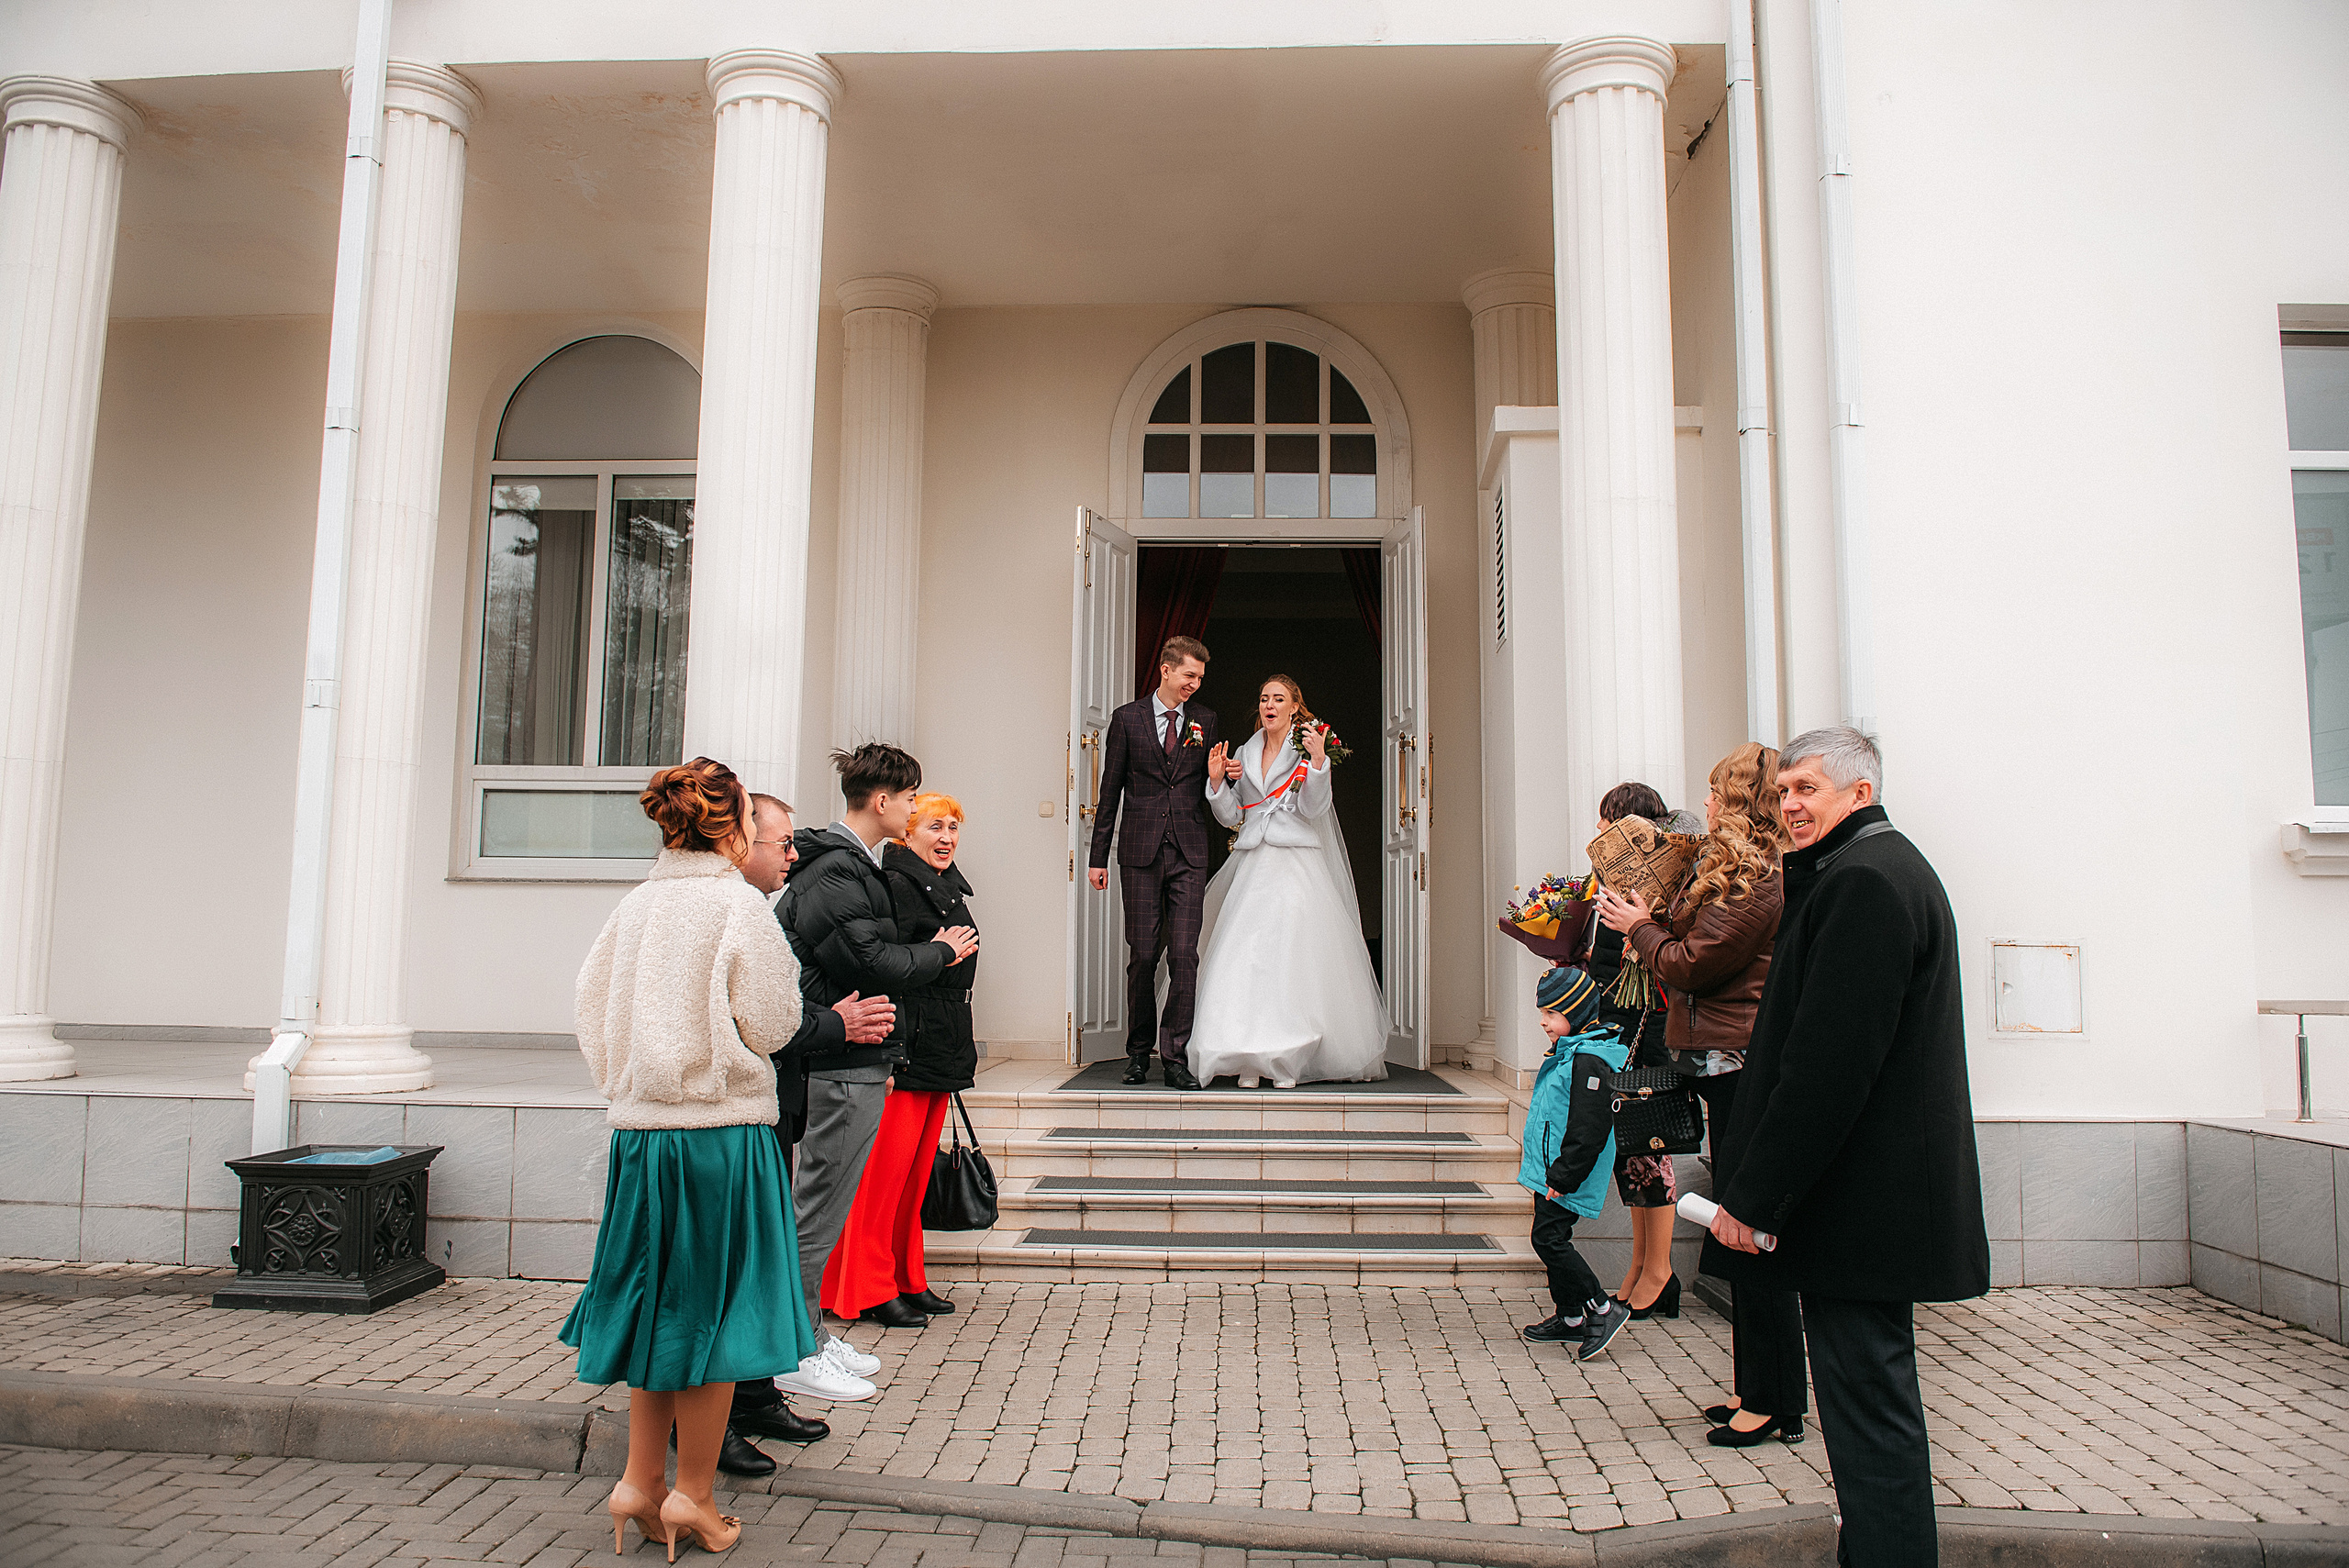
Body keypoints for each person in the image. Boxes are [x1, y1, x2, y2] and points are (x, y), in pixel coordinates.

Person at [1703, 727, 1989, 1568]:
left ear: (1860, 793)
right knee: (1869, 1410)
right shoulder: (1868, 867)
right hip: (1868, 1204)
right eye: (1783, 789)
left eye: (1808, 789)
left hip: (1864, 1208)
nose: (1790, 804)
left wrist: (1754, 1200)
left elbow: (1827, 1067)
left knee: (1871, 1416)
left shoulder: (1864, 880)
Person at [562, 758, 839, 1557]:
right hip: (721, 1133)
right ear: (732, 827)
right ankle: (695, 1494)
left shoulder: (635, 905)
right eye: (751, 817)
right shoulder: (738, 906)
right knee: (720, 1317)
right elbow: (775, 1022)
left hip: (642, 1135)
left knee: (657, 1308)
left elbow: (590, 1009)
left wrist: (630, 1083)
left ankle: (638, 1481)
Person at [1595, 744, 1803, 1447]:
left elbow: (1695, 961)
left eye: (1717, 791)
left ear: (1740, 799)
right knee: (1739, 1226)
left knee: (1751, 1230)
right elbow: (1686, 937)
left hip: (1742, 1065)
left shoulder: (1758, 879)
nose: (1706, 803)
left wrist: (1639, 927)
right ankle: (1756, 1386)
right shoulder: (1733, 871)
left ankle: (1775, 1400)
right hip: (1722, 1064)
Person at [719, 793, 899, 1475]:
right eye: (783, 842)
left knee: (762, 1245)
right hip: (715, 1117)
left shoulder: (752, 906)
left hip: (763, 1102)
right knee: (736, 1263)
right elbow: (769, 1021)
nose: (793, 855)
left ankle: (755, 1393)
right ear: (739, 841)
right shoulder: (725, 910)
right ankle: (716, 1417)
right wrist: (837, 1024)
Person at [781, 744, 979, 1336]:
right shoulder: (850, 871)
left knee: (893, 1184)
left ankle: (885, 1285)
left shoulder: (866, 868)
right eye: (918, 806)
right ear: (886, 803)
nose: (935, 827)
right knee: (846, 1195)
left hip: (895, 1044)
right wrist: (939, 952)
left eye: (950, 825)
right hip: (859, 1048)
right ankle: (828, 1315)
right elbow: (870, 962)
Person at [1188, 674, 1386, 1088]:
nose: (1269, 705)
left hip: (1295, 861)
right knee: (1244, 955)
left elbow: (1314, 810)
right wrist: (1216, 782)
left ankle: (1287, 1055)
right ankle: (1244, 1054)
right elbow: (1232, 815)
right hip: (1254, 861)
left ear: (1295, 706)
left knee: (1291, 957)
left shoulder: (1306, 747)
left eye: (1278, 699)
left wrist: (1318, 763)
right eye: (1264, 698)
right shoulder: (1245, 751)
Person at [1086, 636, 1221, 1089]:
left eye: (1200, 678)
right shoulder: (1127, 719)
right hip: (1140, 852)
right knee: (1143, 955)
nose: (1195, 684)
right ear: (1166, 669)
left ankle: (1175, 1056)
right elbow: (1110, 792)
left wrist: (1220, 779)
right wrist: (1098, 857)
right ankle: (1138, 1053)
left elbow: (1209, 787)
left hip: (1189, 851)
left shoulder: (1205, 720)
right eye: (1189, 675)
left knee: (1185, 955)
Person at [1581, 782, 1675, 1316]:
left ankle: (1660, 1270)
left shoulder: (1655, 888)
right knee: (1632, 1153)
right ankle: (1641, 1263)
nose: (1598, 829)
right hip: (1616, 1026)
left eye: (1607, 818)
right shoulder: (1612, 884)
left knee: (1650, 1149)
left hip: (1644, 1028)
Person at [1515, 965, 1634, 1362]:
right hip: (1550, 1169)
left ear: (1576, 1011)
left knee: (1548, 1240)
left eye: (1552, 1013)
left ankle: (1601, 1306)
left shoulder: (1589, 1061)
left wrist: (1564, 1176)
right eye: (1542, 1013)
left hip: (1565, 1173)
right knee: (1551, 1236)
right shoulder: (1571, 1053)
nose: (1544, 1022)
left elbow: (1590, 1127)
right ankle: (1569, 1317)